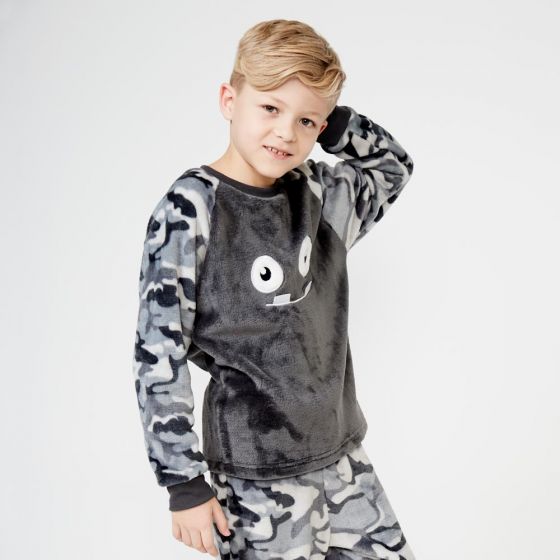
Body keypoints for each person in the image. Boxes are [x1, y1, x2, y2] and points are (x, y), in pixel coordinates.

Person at [132, 18, 416, 560]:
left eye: (305, 120)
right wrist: (183, 482)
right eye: (270, 108)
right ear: (229, 99)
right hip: (255, 475)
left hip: (341, 454)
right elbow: (158, 350)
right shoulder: (192, 208)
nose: (286, 132)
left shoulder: (318, 196)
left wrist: (335, 126)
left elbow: (393, 167)